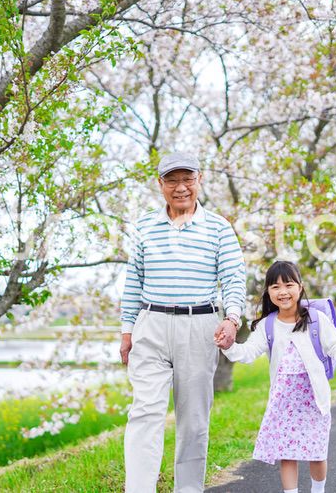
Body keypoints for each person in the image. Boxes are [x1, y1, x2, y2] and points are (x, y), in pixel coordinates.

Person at [120, 151, 246, 493]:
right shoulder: (144, 226)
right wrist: (127, 331)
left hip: (199, 326)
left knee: (193, 420)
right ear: (160, 184)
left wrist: (232, 319)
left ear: (199, 180)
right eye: (172, 180)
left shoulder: (218, 227)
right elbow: (133, 282)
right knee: (144, 413)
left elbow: (233, 278)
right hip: (151, 323)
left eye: (187, 179)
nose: (180, 188)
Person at [216, 260, 336, 493]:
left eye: (288, 285)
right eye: (275, 287)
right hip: (283, 403)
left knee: (317, 454)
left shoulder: (316, 320)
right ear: (268, 292)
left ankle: (318, 490)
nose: (283, 292)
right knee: (287, 455)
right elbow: (248, 353)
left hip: (314, 401)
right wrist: (229, 347)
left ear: (300, 287)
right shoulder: (267, 325)